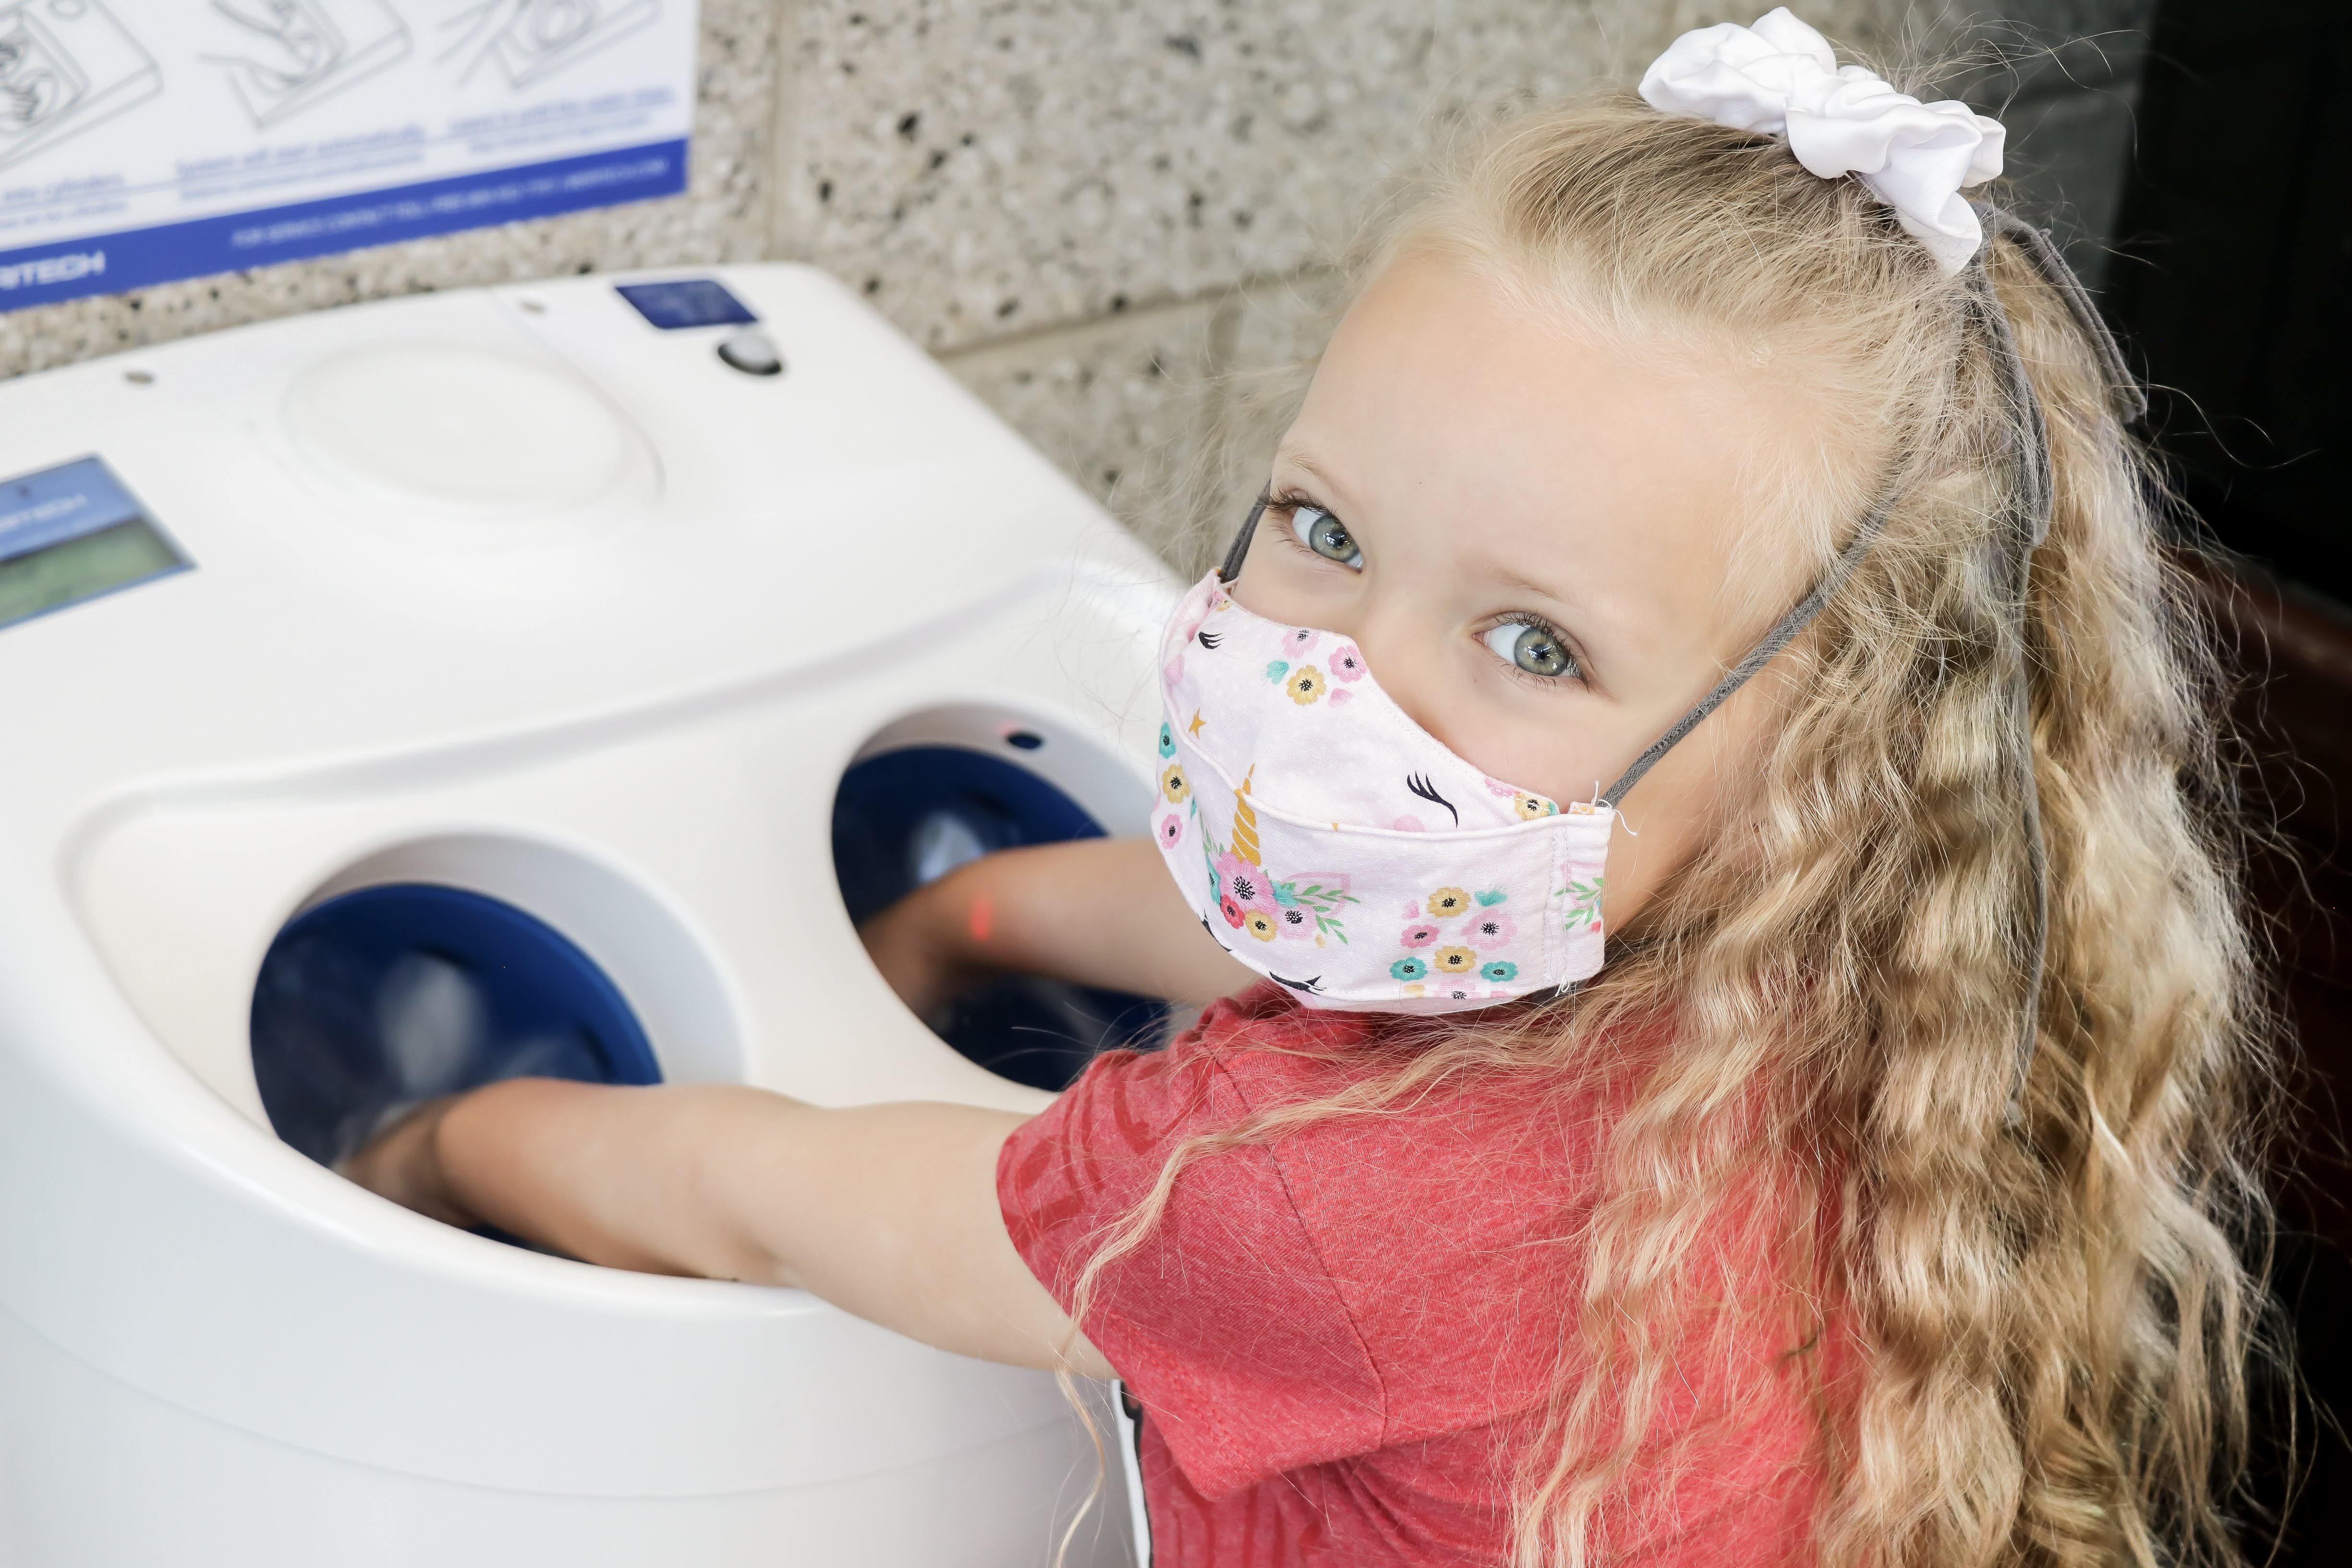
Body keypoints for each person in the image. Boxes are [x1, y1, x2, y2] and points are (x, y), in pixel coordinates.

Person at [347, 12, 2270, 1565]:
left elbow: (769, 1200)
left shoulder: (1319, 1211)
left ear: (1817, 780)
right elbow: (1292, 883)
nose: (1346, 684)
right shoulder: (1852, 993)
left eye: (1532, 645)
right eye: (1321, 524)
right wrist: (973, 918)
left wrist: (434, 1146)